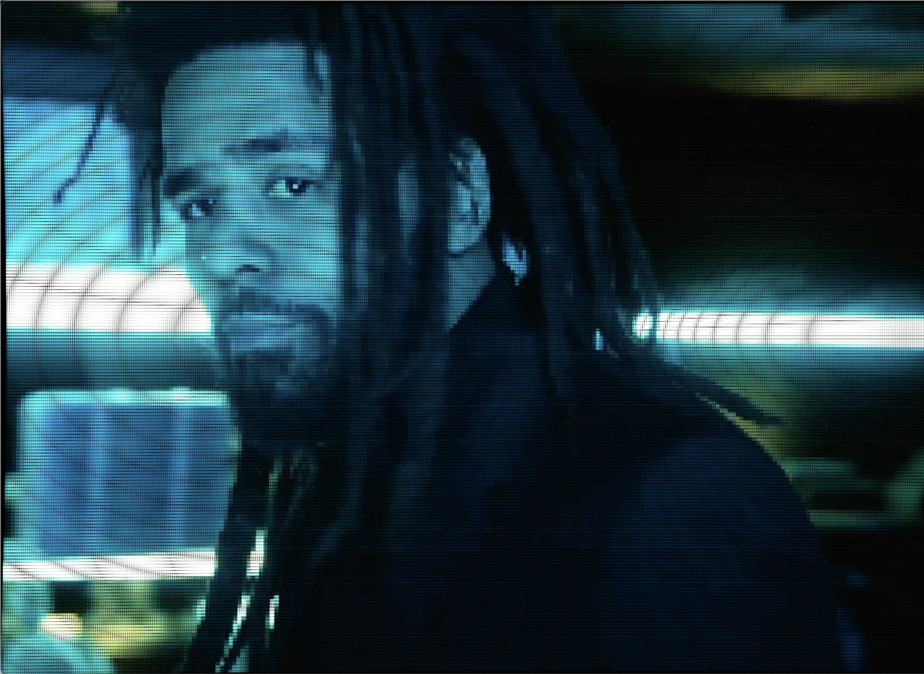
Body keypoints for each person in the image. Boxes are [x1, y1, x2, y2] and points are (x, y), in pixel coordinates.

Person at [105, 3, 850, 671]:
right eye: (199, 206)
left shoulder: (667, 490)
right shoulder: (352, 477)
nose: (224, 254)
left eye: (294, 185)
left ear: (457, 196)